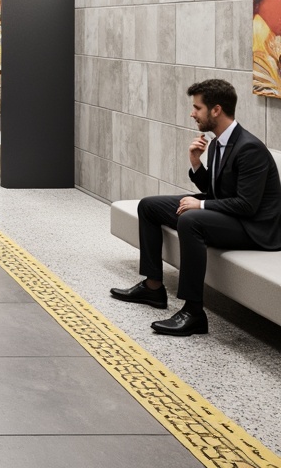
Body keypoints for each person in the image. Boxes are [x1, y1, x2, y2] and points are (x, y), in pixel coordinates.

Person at [111, 78, 281, 336]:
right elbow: (217, 192)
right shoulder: (217, 142)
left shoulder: (249, 148)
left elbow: (247, 205)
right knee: (149, 206)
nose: (192, 113)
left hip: (255, 228)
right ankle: (153, 287)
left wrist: (200, 204)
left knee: (191, 220)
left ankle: (193, 312)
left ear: (216, 110)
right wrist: (196, 163)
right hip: (232, 215)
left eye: (197, 108)